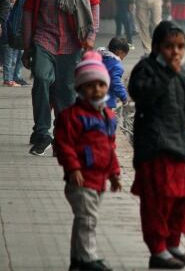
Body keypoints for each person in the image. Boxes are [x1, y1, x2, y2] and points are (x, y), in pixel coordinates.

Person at [128, 21, 185, 269]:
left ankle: (173, 242)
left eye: (180, 47)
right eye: (169, 47)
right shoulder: (146, 69)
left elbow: (183, 109)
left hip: (177, 143)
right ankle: (158, 249)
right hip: (154, 145)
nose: (175, 52)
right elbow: (141, 95)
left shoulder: (181, 75)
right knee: (158, 199)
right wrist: (167, 75)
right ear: (156, 47)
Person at [23, 0, 98, 156]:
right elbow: (28, 11)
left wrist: (91, 37)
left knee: (66, 90)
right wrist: (27, 47)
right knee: (42, 79)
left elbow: (93, 2)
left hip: (72, 40)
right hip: (44, 37)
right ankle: (43, 132)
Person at [54, 51, 121, 271]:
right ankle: (88, 259)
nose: (97, 90)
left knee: (83, 219)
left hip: (99, 177)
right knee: (88, 219)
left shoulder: (108, 116)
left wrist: (114, 173)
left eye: (101, 85)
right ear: (81, 88)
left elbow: (110, 147)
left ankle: (77, 260)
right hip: (82, 178)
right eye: (90, 86)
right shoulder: (73, 116)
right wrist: (73, 168)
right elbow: (64, 145)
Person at [98, 37, 129, 109]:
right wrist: (124, 98)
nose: (123, 59)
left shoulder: (99, 56)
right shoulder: (116, 66)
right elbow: (116, 83)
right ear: (119, 52)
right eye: (123, 56)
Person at [2, 0, 25, 86]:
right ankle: (8, 79)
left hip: (15, 37)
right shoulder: (9, 9)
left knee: (15, 59)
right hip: (10, 38)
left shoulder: (16, 8)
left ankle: (13, 78)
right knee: (10, 60)